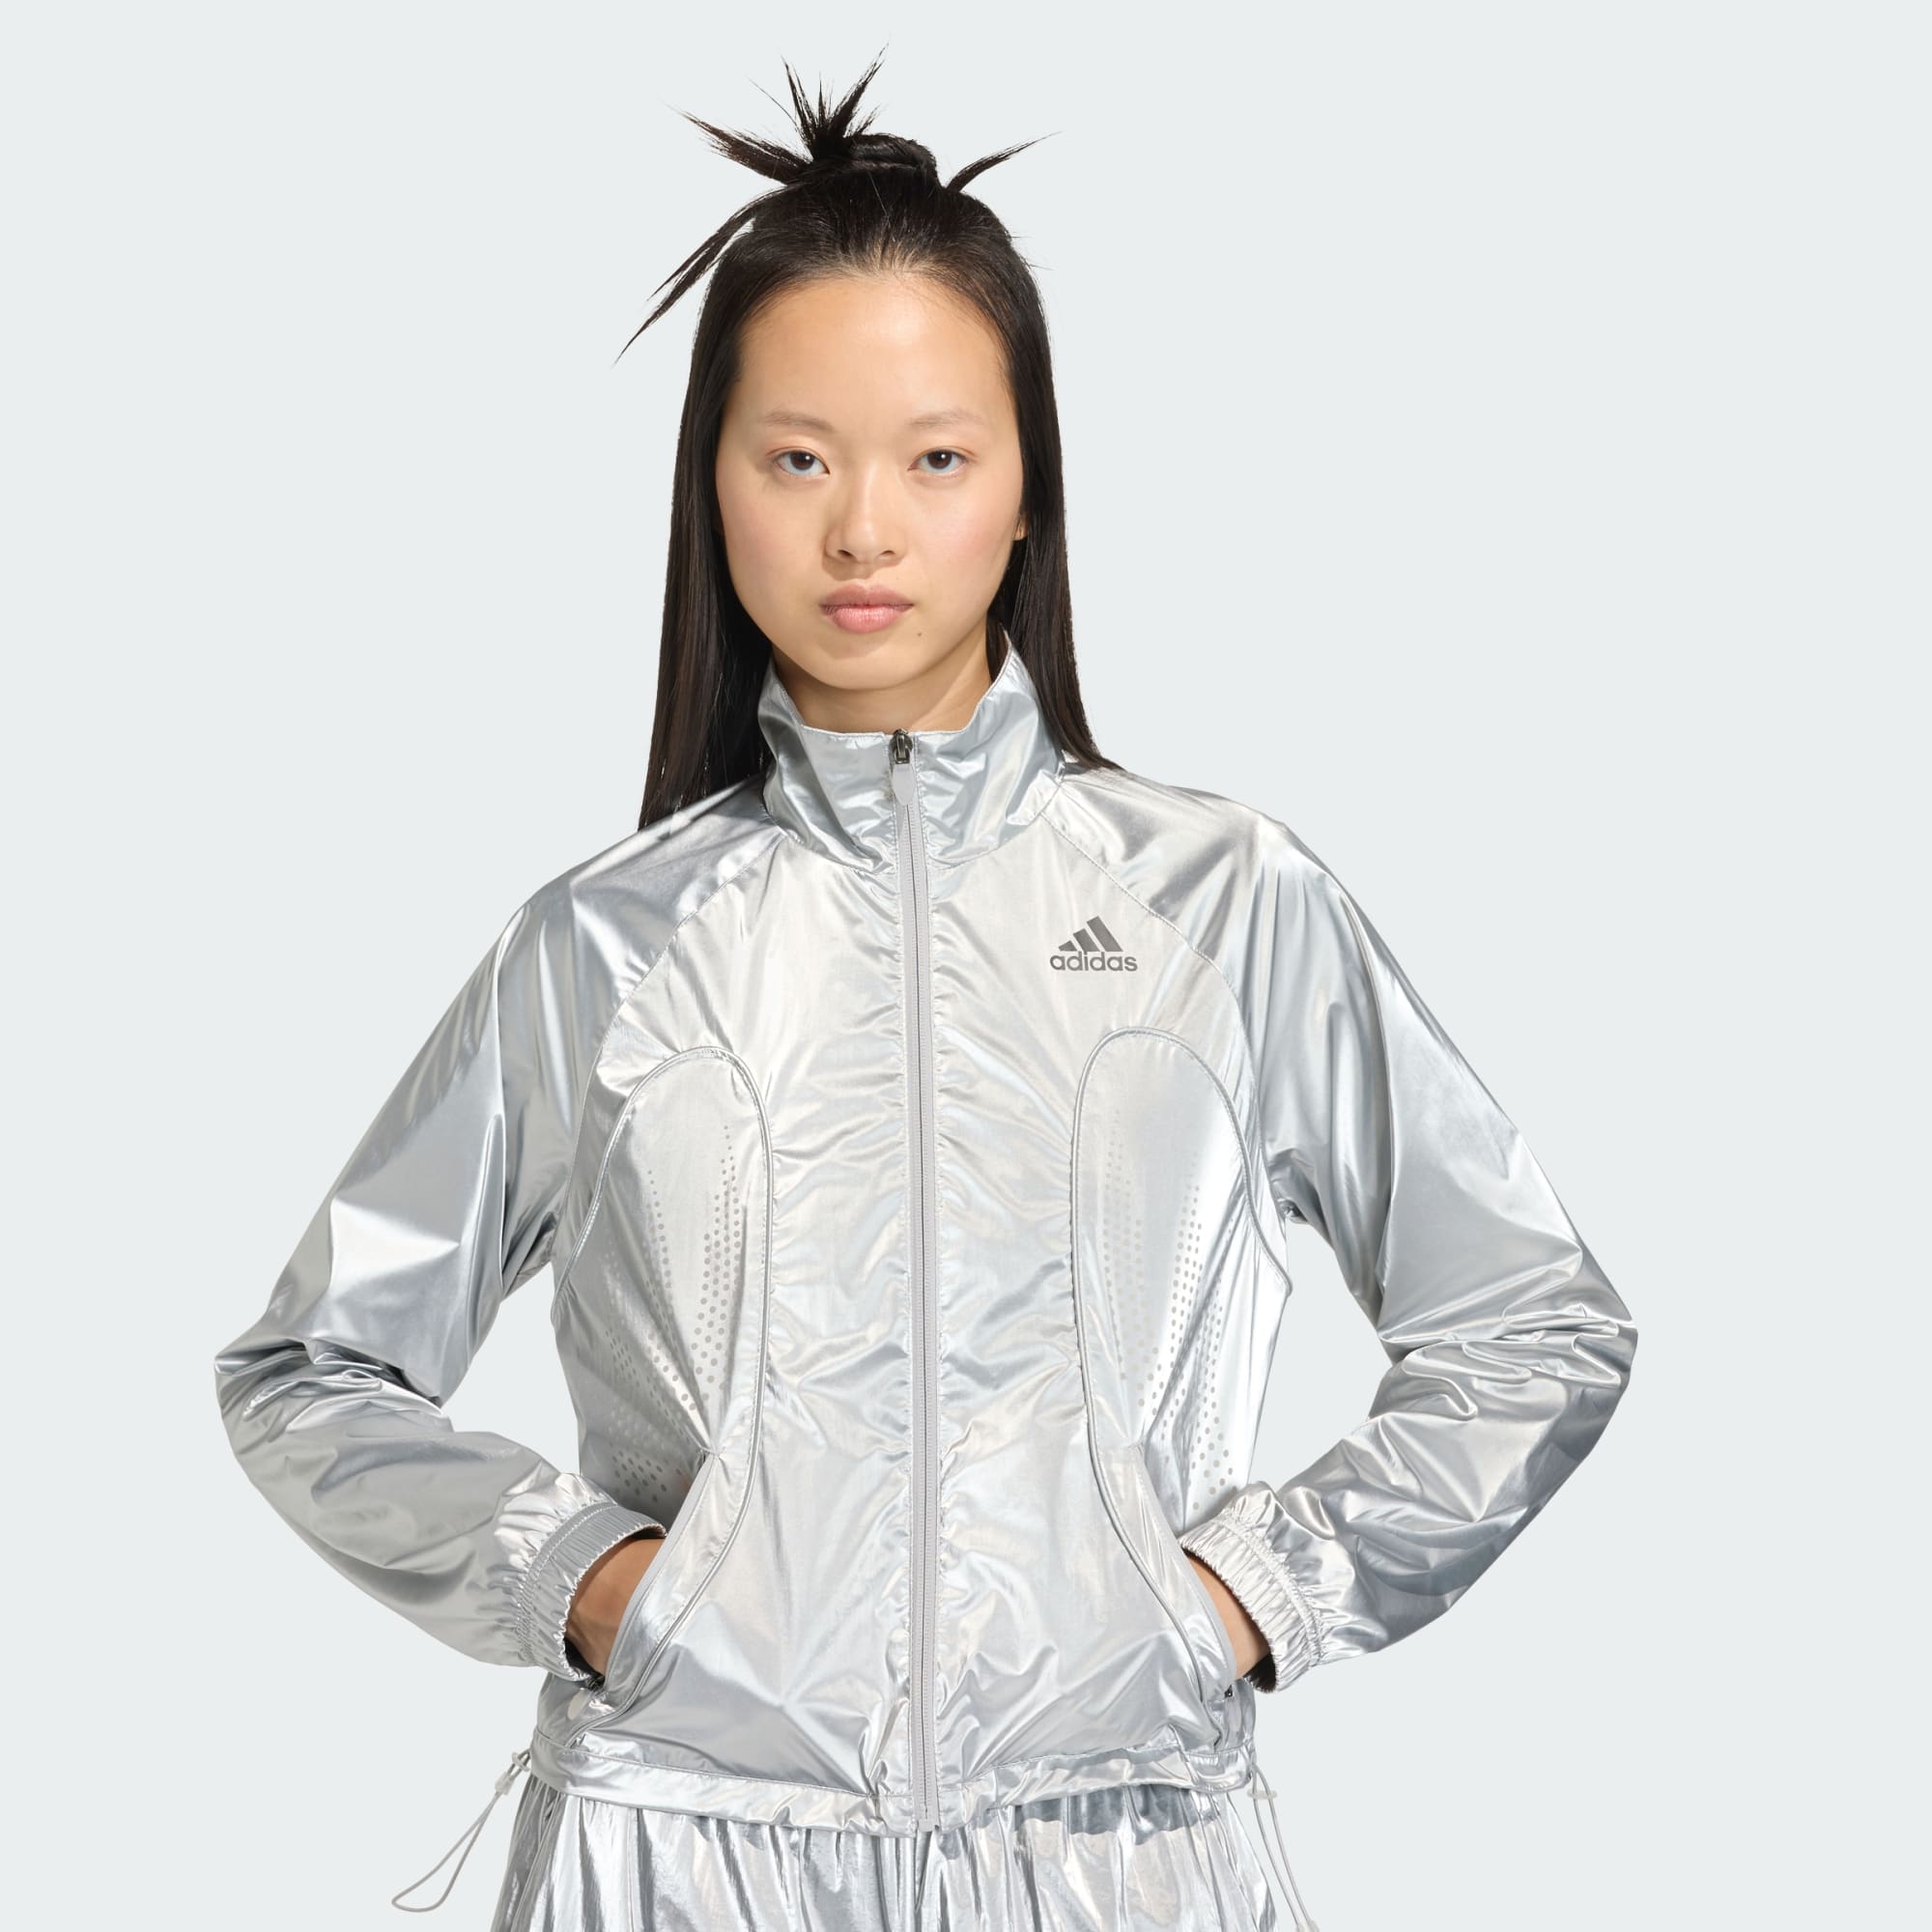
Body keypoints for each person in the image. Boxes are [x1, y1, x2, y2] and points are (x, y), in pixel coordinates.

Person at [212, 52, 1639, 1932]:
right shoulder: (605, 948)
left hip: (1115, 1851)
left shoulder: (1225, 908)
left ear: (1029, 491)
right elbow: (310, 1375)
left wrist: (1253, 1596)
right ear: (713, 487)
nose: (862, 530)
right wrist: (591, 1579)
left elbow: (1533, 1325)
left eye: (935, 458)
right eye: (797, 457)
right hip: (682, 1851)